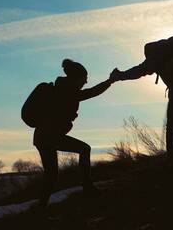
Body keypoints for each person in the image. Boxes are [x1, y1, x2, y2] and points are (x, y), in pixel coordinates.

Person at [33, 59, 116, 209]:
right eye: (84, 78)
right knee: (84, 149)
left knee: (51, 176)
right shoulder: (66, 91)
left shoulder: (62, 88)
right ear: (76, 78)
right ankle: (88, 189)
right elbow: (91, 92)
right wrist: (110, 81)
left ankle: (41, 209)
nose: (86, 81)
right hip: (48, 137)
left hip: (42, 137)